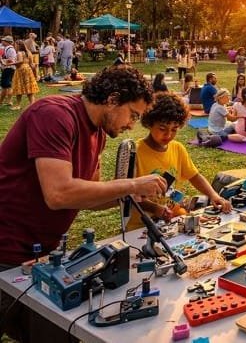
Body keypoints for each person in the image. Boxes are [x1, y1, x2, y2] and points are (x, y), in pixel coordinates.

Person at [0, 66, 165, 341]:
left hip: (39, 252)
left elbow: (88, 197)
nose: (131, 125)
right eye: (133, 115)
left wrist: (127, 197)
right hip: (5, 247)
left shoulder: (97, 133)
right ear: (112, 100)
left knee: (53, 331)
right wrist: (131, 184)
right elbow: (59, 194)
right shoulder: (54, 114)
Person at [130, 92, 232, 228]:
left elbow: (195, 176)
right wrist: (155, 208)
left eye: (174, 129)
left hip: (172, 221)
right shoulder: (135, 152)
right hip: (141, 226)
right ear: (149, 123)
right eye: (162, 128)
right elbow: (128, 196)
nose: (168, 134)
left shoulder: (177, 148)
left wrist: (214, 196)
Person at [9, 40, 39, 110]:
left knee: (18, 87)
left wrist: (10, 63)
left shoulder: (19, 53)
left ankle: (18, 105)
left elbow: (20, 61)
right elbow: (32, 64)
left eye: (15, 45)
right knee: (29, 88)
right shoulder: (28, 52)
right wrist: (35, 74)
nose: (14, 46)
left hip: (20, 70)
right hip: (28, 70)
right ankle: (32, 104)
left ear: (19, 45)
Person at [0, 36, 17, 105]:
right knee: (9, 86)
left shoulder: (10, 49)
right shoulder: (7, 48)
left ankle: (0, 102)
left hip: (8, 68)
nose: (2, 41)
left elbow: (12, 60)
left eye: (3, 40)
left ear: (7, 42)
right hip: (9, 68)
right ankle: (9, 101)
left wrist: (2, 60)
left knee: (4, 86)